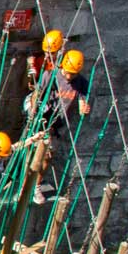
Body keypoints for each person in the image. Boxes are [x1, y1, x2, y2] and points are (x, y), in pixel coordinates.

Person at [35, 49, 93, 205]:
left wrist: (83, 108)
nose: (68, 77)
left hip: (58, 125)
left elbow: (82, 100)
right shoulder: (50, 76)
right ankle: (26, 184)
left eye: (72, 74)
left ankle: (36, 186)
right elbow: (37, 95)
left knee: (48, 156)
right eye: (67, 73)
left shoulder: (81, 83)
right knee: (34, 154)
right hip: (42, 120)